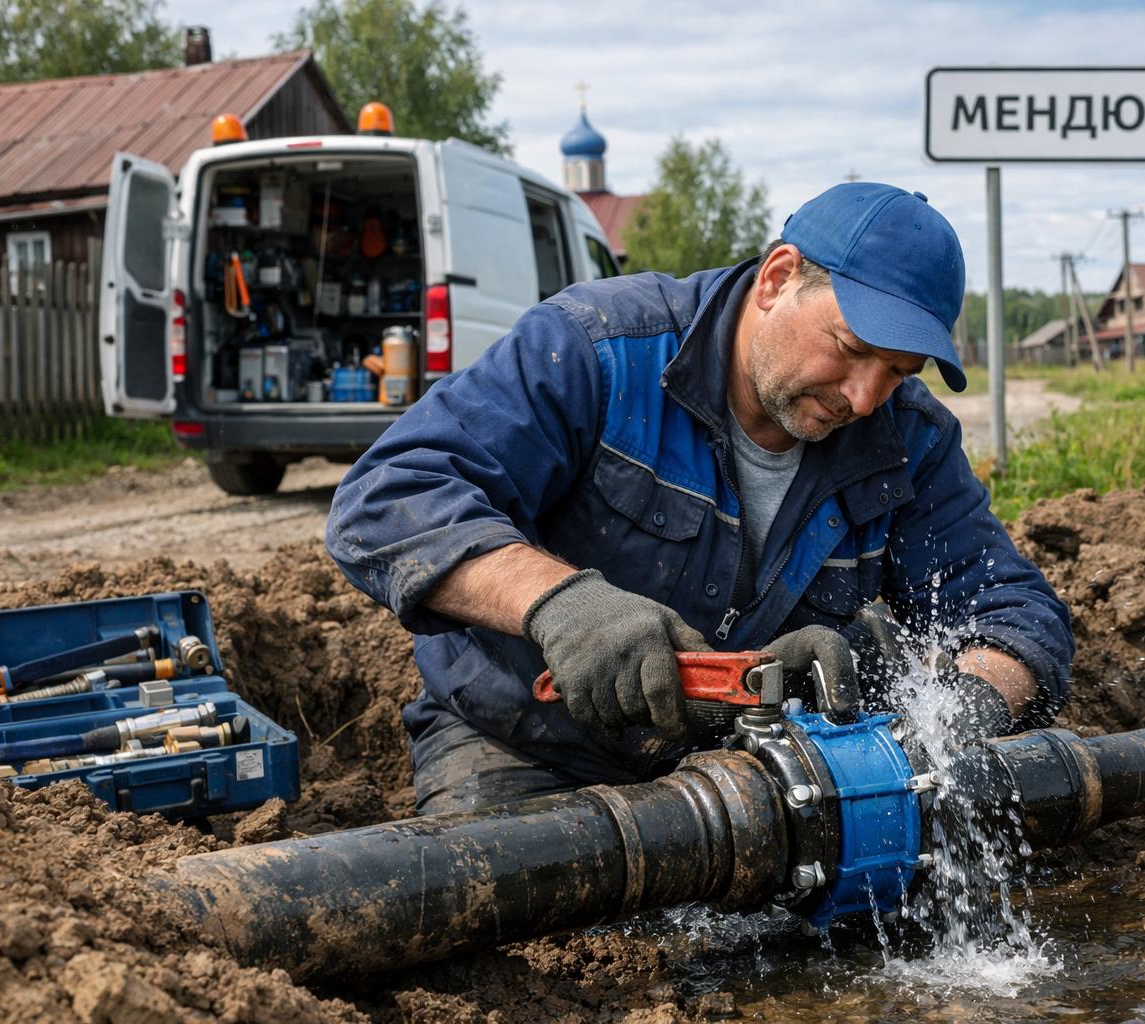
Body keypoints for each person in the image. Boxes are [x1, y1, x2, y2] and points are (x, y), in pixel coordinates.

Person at [326, 182, 1074, 814]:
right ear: (779, 278)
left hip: (765, 770)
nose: (863, 396)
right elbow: (391, 496)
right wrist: (562, 605)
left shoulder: (910, 440)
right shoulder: (598, 349)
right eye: (850, 349)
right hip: (524, 744)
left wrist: (954, 715)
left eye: (897, 372)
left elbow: (1014, 613)